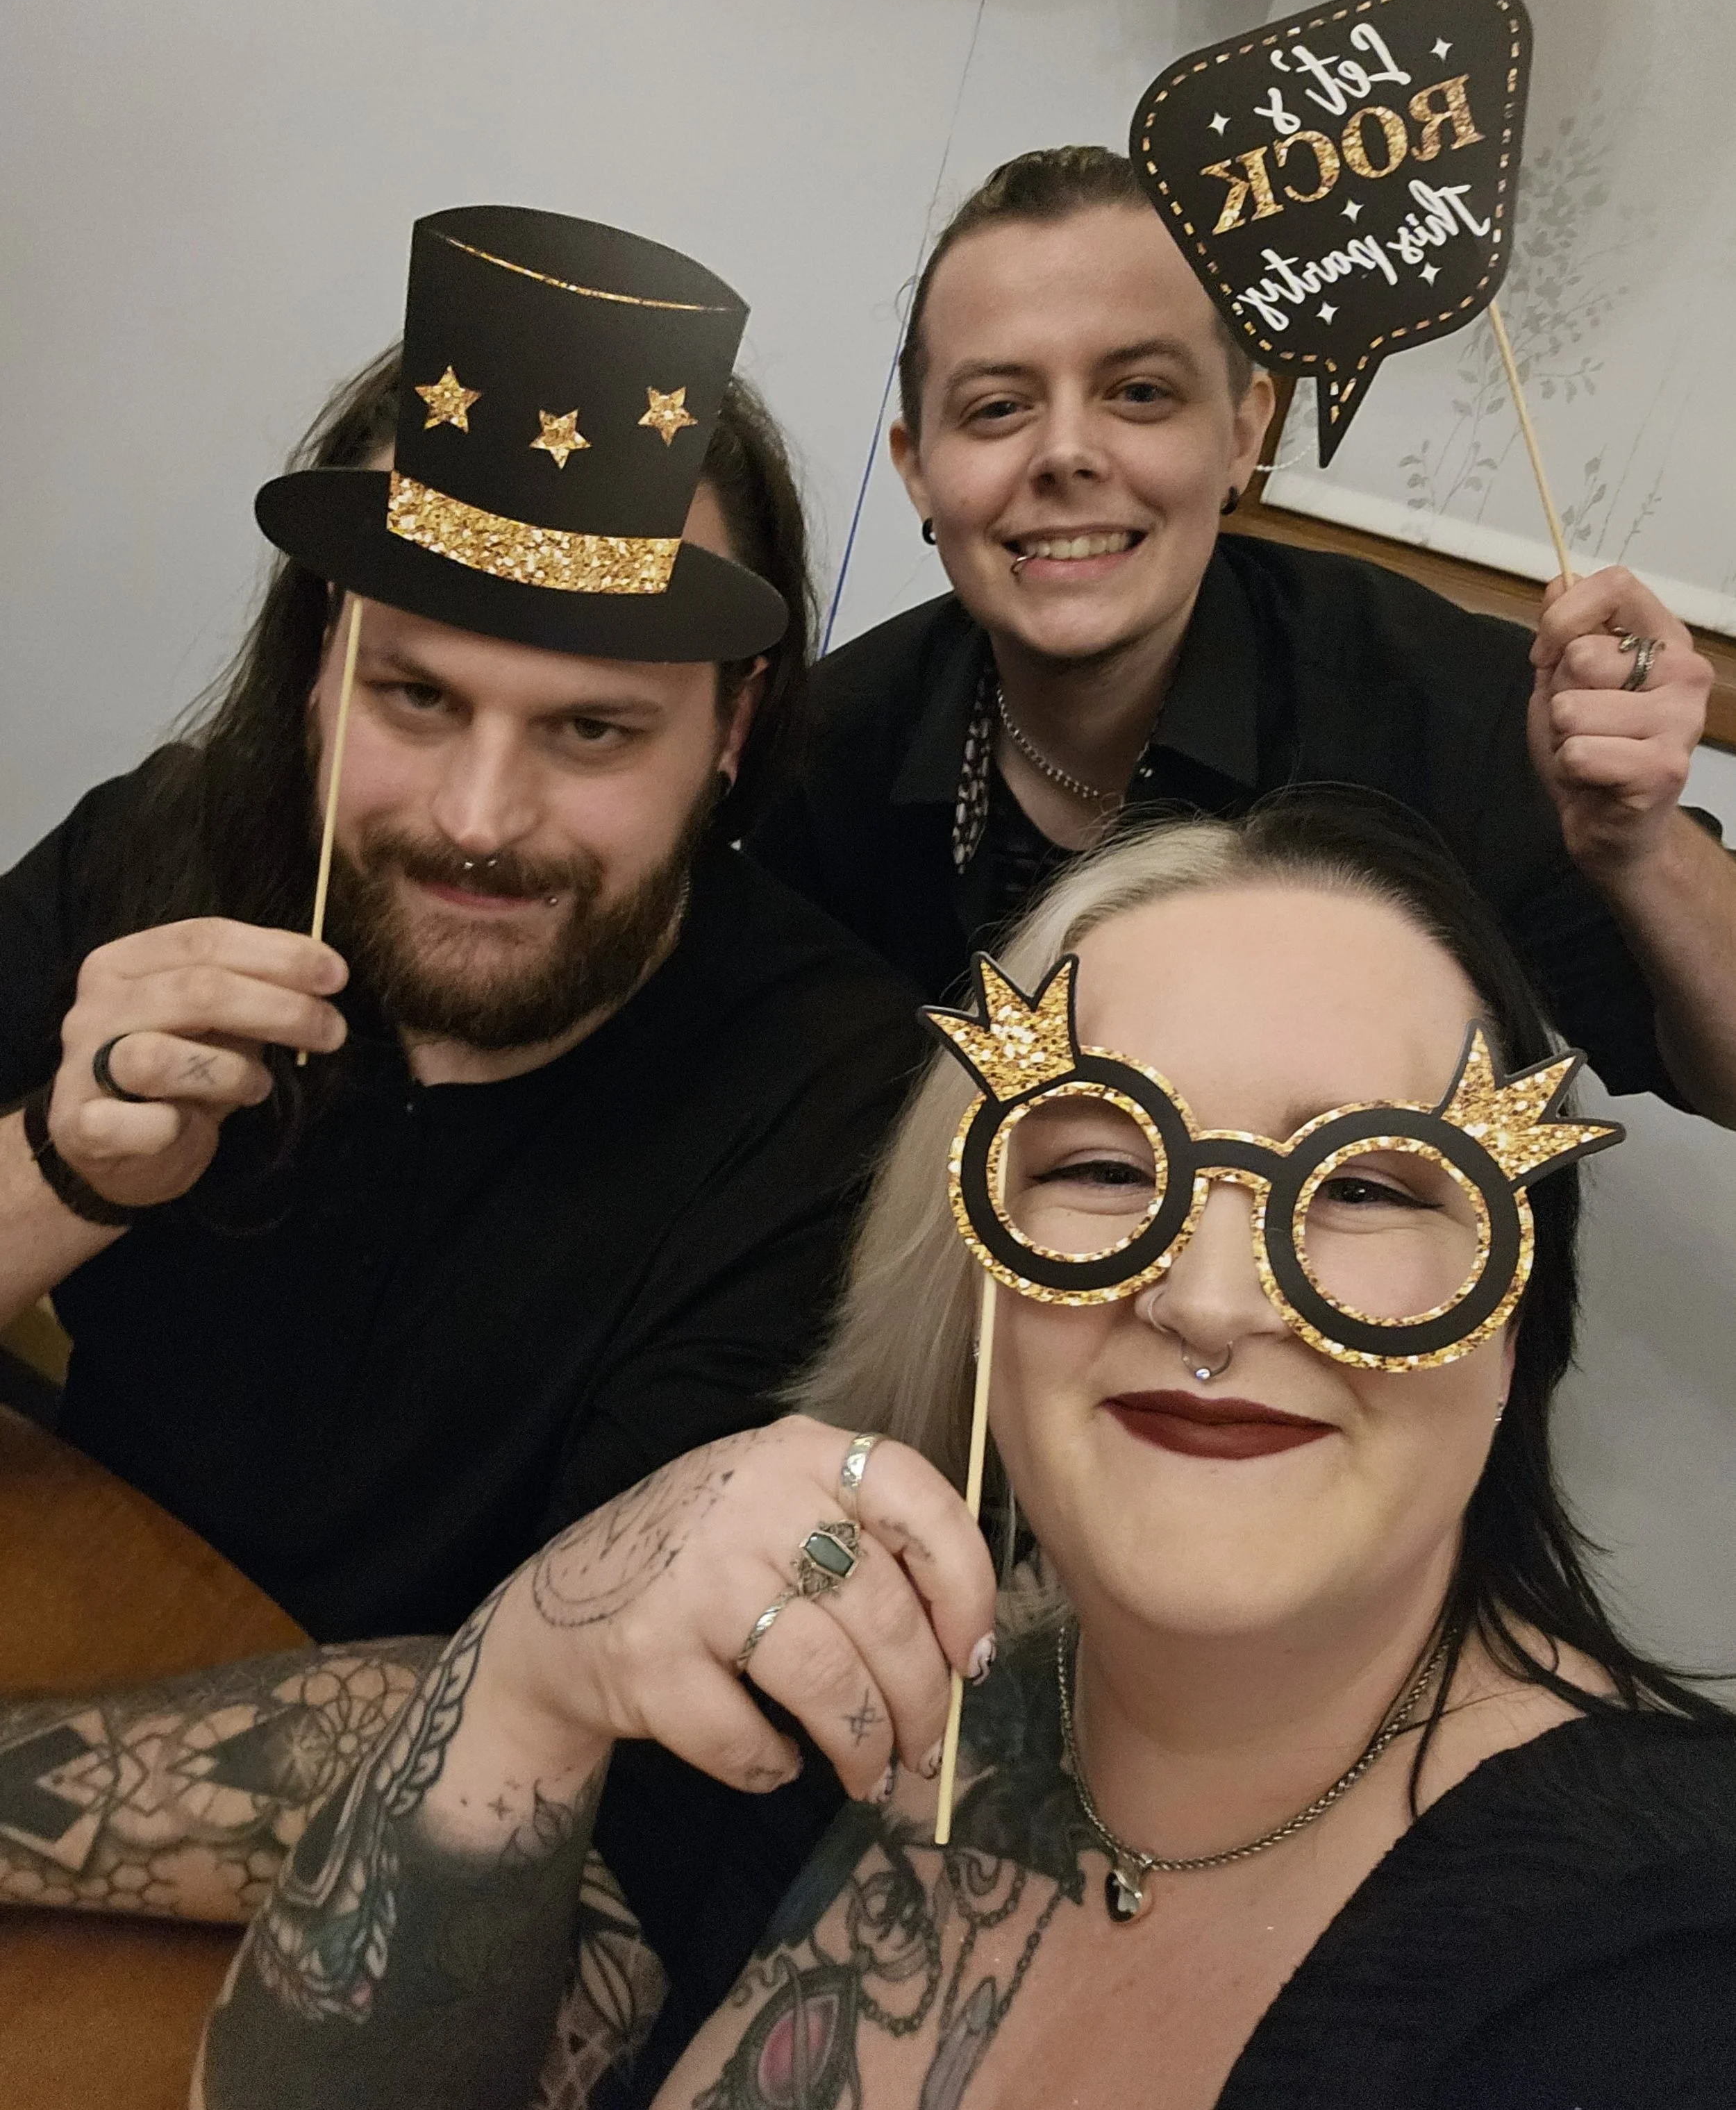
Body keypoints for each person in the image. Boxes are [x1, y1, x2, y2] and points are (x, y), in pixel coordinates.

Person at [10, 795, 1724, 2106]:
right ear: (967, 1264)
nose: (1208, 1296)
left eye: (1360, 1187)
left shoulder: (1654, 1969)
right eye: (1097, 1167)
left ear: (1514, 1313)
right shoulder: (875, 1701)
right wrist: (533, 1663)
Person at [0, 204, 921, 1643]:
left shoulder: (835, 1107)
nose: (479, 817)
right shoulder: (159, 853)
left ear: (731, 726)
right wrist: (62, 1171)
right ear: (318, 667)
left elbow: (580, 1692)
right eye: (416, 697)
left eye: (593, 730)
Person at [751, 146, 1736, 1125]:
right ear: (920, 468)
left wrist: (1641, 851)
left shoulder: (1448, 707)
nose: (1065, 454)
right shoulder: (823, 750)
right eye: (998, 407)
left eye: (1140, 392)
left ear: (1240, 434)